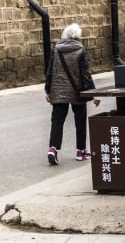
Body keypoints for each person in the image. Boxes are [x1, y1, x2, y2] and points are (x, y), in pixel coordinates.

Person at [45, 23, 100, 165]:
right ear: (78, 36)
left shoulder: (56, 49)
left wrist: (48, 90)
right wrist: (93, 93)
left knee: (57, 121)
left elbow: (50, 71)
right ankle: (80, 151)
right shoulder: (80, 50)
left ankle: (52, 149)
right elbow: (85, 74)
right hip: (77, 92)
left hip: (58, 91)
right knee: (80, 120)